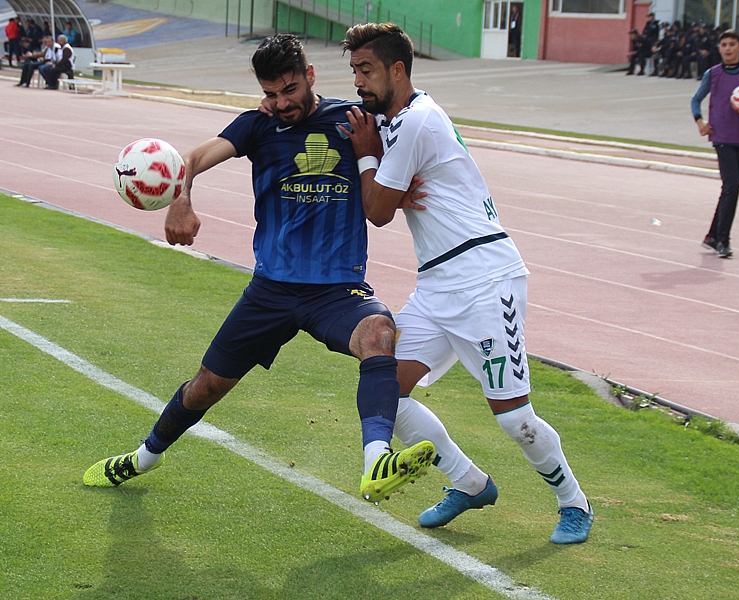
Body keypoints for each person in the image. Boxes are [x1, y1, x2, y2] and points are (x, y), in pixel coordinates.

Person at [83, 34, 435, 504]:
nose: (281, 102)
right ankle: (144, 456)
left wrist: (403, 187)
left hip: (335, 291)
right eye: (271, 93)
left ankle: (376, 460)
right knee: (204, 387)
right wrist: (179, 201)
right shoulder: (255, 126)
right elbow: (190, 159)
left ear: (310, 76)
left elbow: (403, 155)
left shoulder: (354, 120)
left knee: (378, 333)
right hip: (270, 291)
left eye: (289, 90)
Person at [341, 22, 594, 544]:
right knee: (386, 386)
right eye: (354, 71)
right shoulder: (394, 122)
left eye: (366, 70)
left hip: (485, 279)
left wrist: (370, 160)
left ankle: (575, 503)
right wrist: (377, 168)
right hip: (436, 285)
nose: (359, 81)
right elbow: (379, 193)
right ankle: (469, 482)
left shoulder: (417, 121)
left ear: (397, 69)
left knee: (514, 419)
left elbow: (378, 211)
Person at [691, 29, 739, 259]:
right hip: (722, 137)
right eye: (723, 44)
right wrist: (700, 121)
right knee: (732, 185)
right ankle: (723, 240)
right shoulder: (713, 74)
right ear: (719, 48)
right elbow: (696, 99)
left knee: (731, 189)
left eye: (732, 44)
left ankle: (712, 235)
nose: (727, 48)